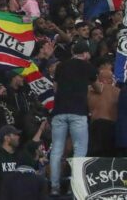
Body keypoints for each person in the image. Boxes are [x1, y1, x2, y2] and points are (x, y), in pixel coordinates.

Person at [49, 41, 97, 196]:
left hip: (59, 111)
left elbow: (55, 89)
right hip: (78, 112)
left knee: (56, 150)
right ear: (85, 53)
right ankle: (73, 187)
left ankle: (54, 187)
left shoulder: (61, 66)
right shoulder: (87, 66)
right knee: (79, 150)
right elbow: (97, 87)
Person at [88, 67, 121, 157]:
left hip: (96, 124)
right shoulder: (118, 91)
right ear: (111, 79)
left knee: (94, 156)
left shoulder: (90, 90)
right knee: (109, 156)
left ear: (99, 78)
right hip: (111, 125)